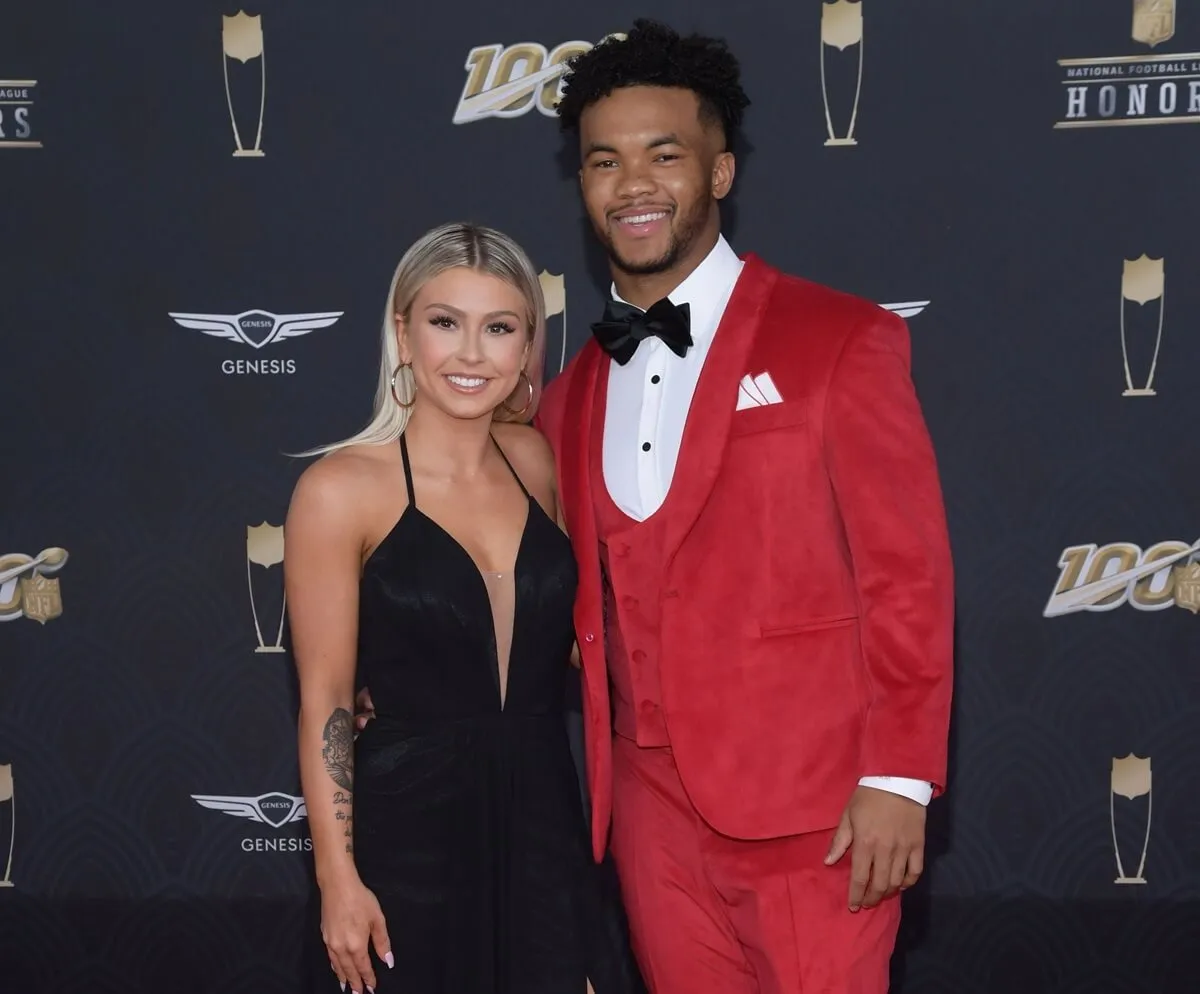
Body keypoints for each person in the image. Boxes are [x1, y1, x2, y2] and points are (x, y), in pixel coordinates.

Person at [533, 20, 955, 994]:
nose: (633, 185)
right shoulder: (568, 394)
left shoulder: (841, 339)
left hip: (818, 810)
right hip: (646, 817)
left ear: (719, 174)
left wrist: (899, 777)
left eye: (663, 154)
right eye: (605, 161)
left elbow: (908, 576)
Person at [286, 222, 643, 994]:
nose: (472, 354)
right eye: (446, 323)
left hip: (545, 822)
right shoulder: (339, 490)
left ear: (525, 350)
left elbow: (577, 636)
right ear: (403, 334)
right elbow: (325, 702)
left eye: (500, 328)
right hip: (407, 837)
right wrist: (337, 880)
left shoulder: (536, 461)